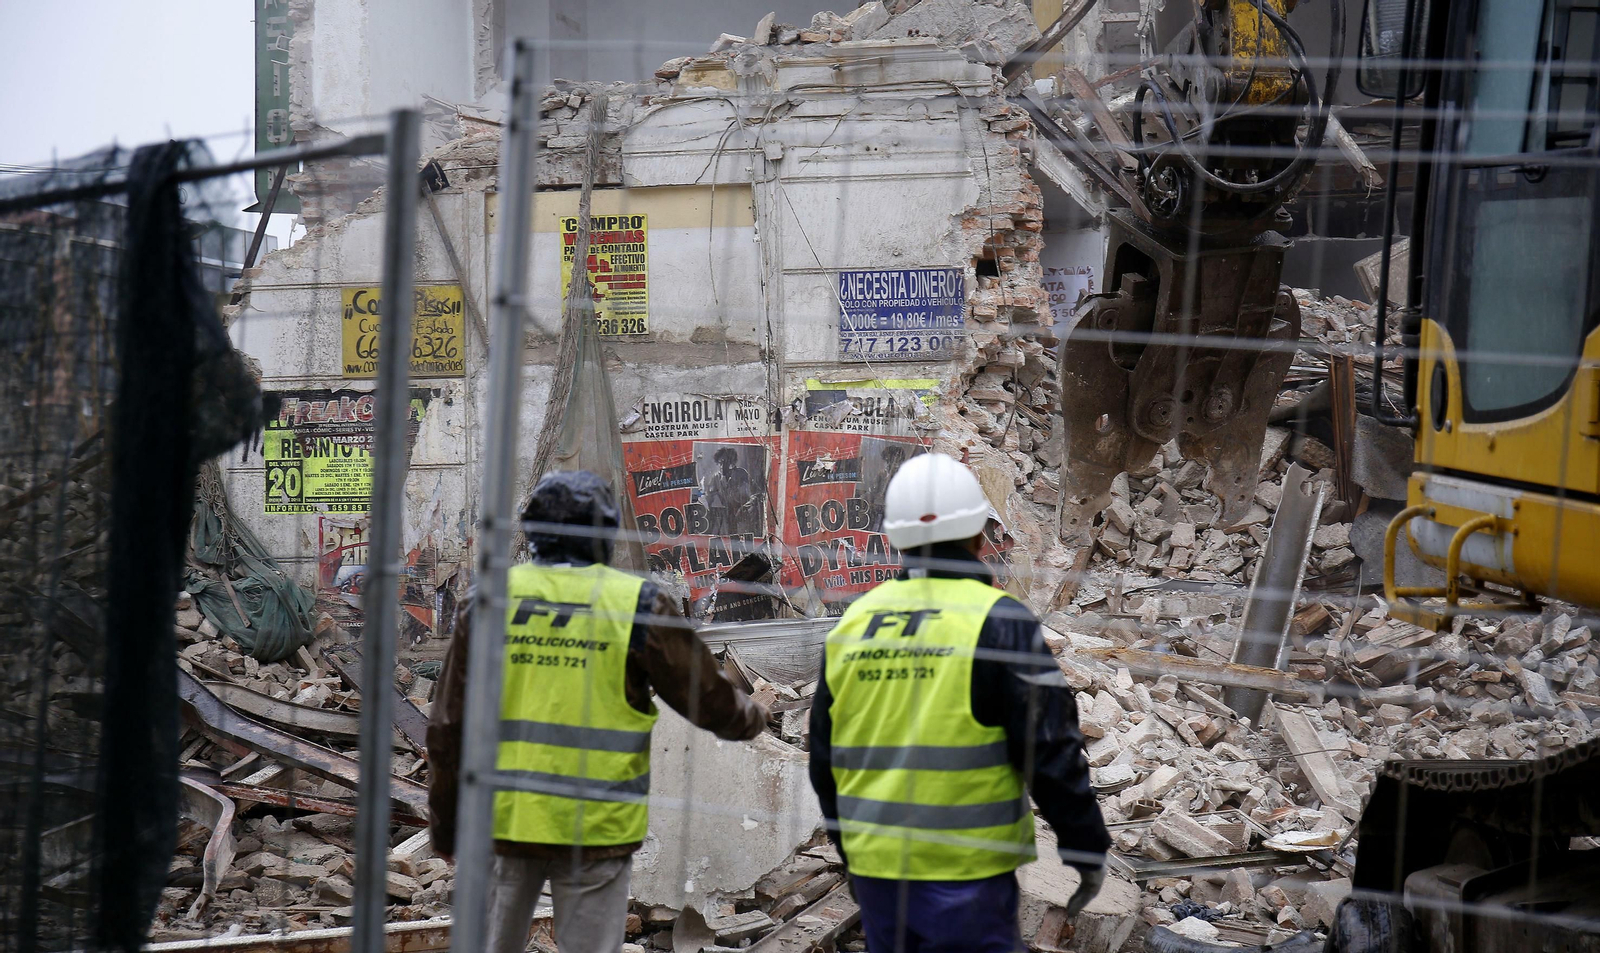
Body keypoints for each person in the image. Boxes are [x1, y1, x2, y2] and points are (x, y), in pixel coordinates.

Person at [427, 470, 769, 953]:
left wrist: (445, 824)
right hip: (597, 824)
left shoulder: (487, 599)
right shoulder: (636, 603)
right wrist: (753, 718)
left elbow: (447, 727)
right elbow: (706, 697)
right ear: (606, 534)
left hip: (504, 818)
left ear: (534, 533)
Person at [808, 453, 1110, 952]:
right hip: (967, 874)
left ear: (896, 538)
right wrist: (1085, 844)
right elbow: (1050, 748)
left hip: (877, 873)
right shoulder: (999, 621)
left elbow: (824, 759)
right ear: (978, 533)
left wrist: (852, 852)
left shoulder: (853, 625)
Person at [703, 445, 760, 536]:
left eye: (724, 462)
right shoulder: (716, 478)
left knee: (745, 540)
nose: (721, 466)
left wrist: (745, 507)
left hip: (746, 515)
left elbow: (757, 492)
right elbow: (708, 496)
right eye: (719, 463)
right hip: (729, 515)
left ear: (731, 463)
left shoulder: (741, 473)